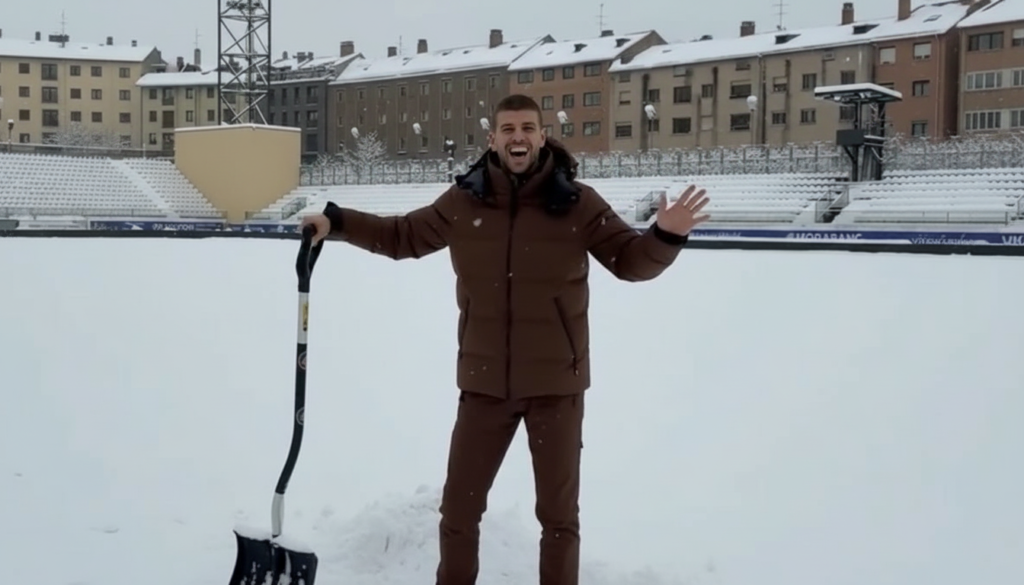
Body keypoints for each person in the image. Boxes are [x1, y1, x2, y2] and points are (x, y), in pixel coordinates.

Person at [300, 93, 710, 585]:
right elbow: (402, 236)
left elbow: (630, 262)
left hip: (556, 387)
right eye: (508, 129)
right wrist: (337, 221)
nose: (519, 137)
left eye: (528, 128)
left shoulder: (578, 204)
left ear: (542, 136)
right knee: (457, 514)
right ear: (492, 139)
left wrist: (665, 236)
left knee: (558, 521)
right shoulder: (464, 200)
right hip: (484, 384)